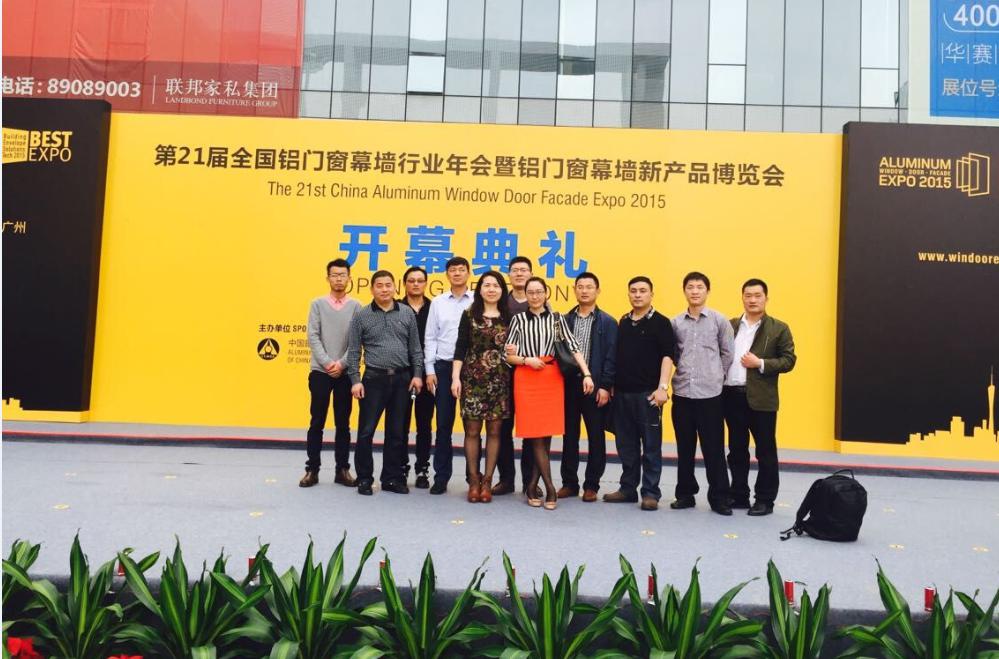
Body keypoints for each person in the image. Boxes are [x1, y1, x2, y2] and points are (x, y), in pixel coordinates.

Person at [505, 277, 593, 510]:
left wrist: (586, 373)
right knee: (535, 435)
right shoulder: (518, 320)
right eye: (530, 292)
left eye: (539, 292)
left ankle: (532, 485)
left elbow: (574, 347)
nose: (534, 296)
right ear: (526, 295)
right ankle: (551, 487)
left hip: (551, 377)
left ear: (546, 294)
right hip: (526, 377)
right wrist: (527, 360)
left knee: (545, 435)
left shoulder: (557, 319)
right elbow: (508, 355)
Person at [345, 270, 424, 496]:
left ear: (395, 287)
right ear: (372, 289)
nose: (384, 289)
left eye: (388, 285)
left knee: (397, 432)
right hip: (373, 379)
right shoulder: (362, 315)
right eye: (379, 285)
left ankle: (391, 478)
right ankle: (364, 478)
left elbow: (415, 349)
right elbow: (354, 351)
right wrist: (355, 380)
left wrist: (417, 374)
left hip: (402, 380)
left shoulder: (407, 313)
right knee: (366, 432)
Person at [723, 278, 797, 516]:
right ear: (742, 298)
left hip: (762, 399)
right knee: (736, 450)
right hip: (731, 396)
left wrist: (761, 363)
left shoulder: (778, 328)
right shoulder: (730, 325)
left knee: (765, 451)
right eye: (748, 295)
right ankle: (739, 495)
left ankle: (765, 500)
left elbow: (789, 360)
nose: (752, 300)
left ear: (766, 298)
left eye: (757, 295)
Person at [603, 276, 675, 511]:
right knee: (626, 446)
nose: (637, 295)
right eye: (633, 291)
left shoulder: (662, 323)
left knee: (651, 447)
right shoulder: (624, 322)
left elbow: (668, 356)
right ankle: (627, 489)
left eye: (643, 291)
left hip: (649, 396)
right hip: (622, 394)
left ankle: (650, 493)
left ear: (651, 294)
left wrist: (663, 387)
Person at [670, 272, 735, 515]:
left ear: (707, 291)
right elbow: (674, 355)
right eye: (690, 287)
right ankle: (685, 494)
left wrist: (716, 376)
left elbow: (728, 353)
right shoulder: (676, 323)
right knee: (684, 448)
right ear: (684, 291)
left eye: (699, 287)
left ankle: (720, 498)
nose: (695, 291)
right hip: (683, 394)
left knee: (714, 449)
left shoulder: (719, 320)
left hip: (710, 395)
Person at [451, 271, 512, 503]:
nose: (491, 289)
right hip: (472, 380)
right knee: (472, 431)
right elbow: (460, 348)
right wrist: (455, 378)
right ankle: (473, 481)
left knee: (495, 432)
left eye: (496, 285)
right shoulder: (469, 314)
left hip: (500, 380)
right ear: (480, 289)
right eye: (487, 285)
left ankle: (487, 481)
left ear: (502, 290)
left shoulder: (509, 317)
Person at [300, 258, 362, 488]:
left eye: (342, 275)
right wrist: (328, 363)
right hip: (320, 371)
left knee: (343, 424)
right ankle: (312, 470)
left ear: (349, 278)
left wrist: (342, 364)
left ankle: (342, 470)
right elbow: (313, 336)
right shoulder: (317, 304)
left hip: (345, 373)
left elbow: (357, 340)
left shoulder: (356, 306)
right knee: (317, 421)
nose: (338, 279)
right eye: (334, 275)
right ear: (328, 278)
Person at [558, 272, 617, 502]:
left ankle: (591, 485)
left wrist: (605, 386)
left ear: (597, 291)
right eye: (580, 287)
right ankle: (569, 483)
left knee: (596, 437)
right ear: (574, 290)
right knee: (569, 436)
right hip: (569, 385)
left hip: (596, 387)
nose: (584, 291)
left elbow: (611, 356)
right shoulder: (565, 320)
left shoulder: (607, 322)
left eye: (589, 287)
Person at [424, 256, 474, 494]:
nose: (457, 273)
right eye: (453, 270)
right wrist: (429, 369)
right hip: (443, 368)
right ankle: (441, 477)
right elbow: (430, 337)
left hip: (471, 369)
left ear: (468, 273)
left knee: (472, 427)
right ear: (447, 275)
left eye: (461, 270)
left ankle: (473, 478)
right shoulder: (438, 302)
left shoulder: (478, 300)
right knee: (443, 425)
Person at [494, 255, 534, 495]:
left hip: (530, 376)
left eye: (524, 270)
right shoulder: (499, 303)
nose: (519, 274)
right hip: (502, 376)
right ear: (509, 275)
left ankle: (531, 482)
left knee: (531, 430)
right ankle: (506, 480)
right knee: (502, 429)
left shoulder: (539, 303)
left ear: (531, 274)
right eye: (515, 270)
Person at [399, 266, 434, 489]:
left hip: (428, 374)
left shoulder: (434, 308)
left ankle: (422, 469)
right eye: (411, 280)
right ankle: (401, 467)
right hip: (402, 373)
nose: (415, 284)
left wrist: (427, 371)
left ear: (425, 284)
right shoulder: (396, 307)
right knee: (400, 424)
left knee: (424, 425)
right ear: (405, 284)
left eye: (420, 281)